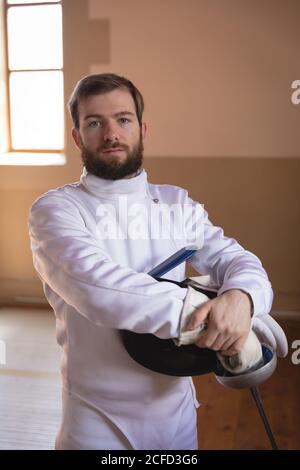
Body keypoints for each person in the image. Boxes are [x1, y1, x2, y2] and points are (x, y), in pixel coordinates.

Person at [28, 73, 286, 450]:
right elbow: (100, 289)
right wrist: (217, 315)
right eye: (95, 123)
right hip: (96, 421)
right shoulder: (55, 210)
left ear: (142, 130)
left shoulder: (176, 204)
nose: (111, 133)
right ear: (77, 137)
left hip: (176, 416)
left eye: (123, 119)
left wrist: (244, 301)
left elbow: (236, 260)